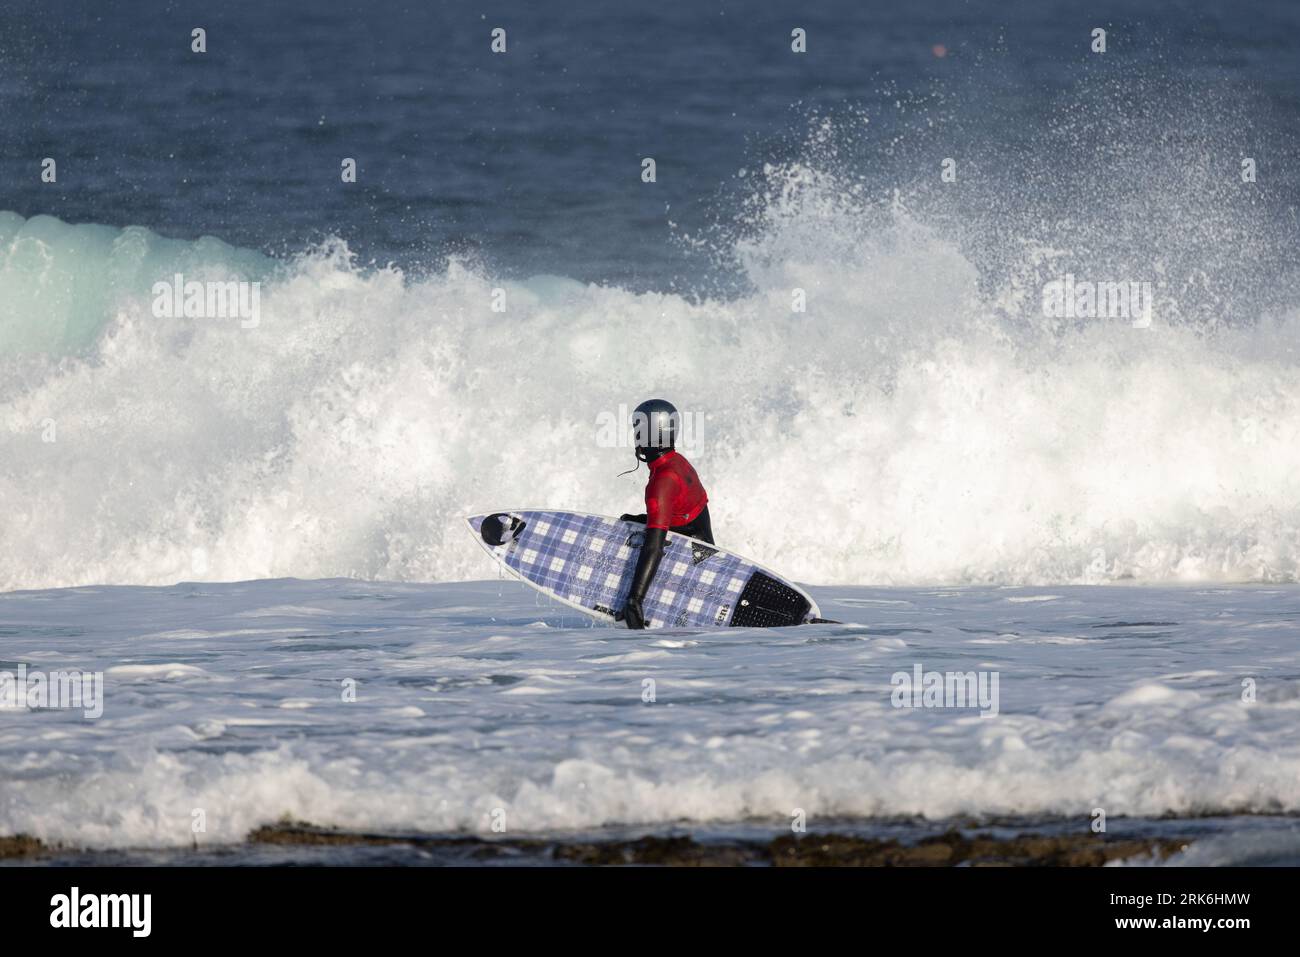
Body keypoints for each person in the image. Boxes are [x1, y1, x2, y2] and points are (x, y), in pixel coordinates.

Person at [618, 398, 713, 629]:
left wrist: (635, 599)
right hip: (705, 555)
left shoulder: (661, 482)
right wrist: (646, 519)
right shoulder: (679, 463)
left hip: (687, 568)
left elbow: (654, 547)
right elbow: (684, 516)